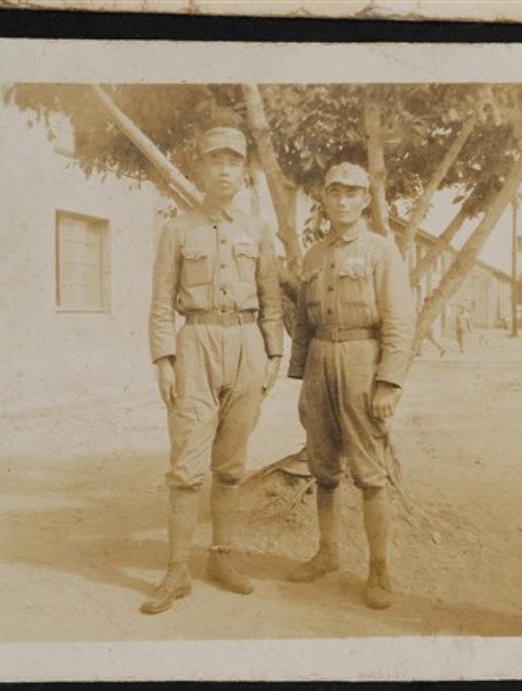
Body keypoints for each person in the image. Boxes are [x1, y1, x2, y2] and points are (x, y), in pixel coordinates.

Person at [142, 125, 283, 614]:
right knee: (186, 466)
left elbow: (270, 298)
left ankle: (222, 559)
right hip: (195, 345)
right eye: (215, 161)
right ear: (200, 169)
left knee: (230, 466)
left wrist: (273, 354)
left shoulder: (258, 231)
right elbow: (161, 302)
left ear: (244, 172)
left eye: (233, 162)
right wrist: (164, 359)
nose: (224, 171)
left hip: (246, 346)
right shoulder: (178, 229)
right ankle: (177, 570)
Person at [288, 162, 415, 609]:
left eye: (352, 193)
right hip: (320, 360)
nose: (342, 201)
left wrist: (388, 383)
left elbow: (399, 321)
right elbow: (302, 323)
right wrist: (301, 378)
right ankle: (327, 553)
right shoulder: (313, 255)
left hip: (363, 359)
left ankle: (379, 568)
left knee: (369, 472)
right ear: (324, 198)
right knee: (322, 466)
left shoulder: (381, 251)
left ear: (364, 199)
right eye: (335, 193)